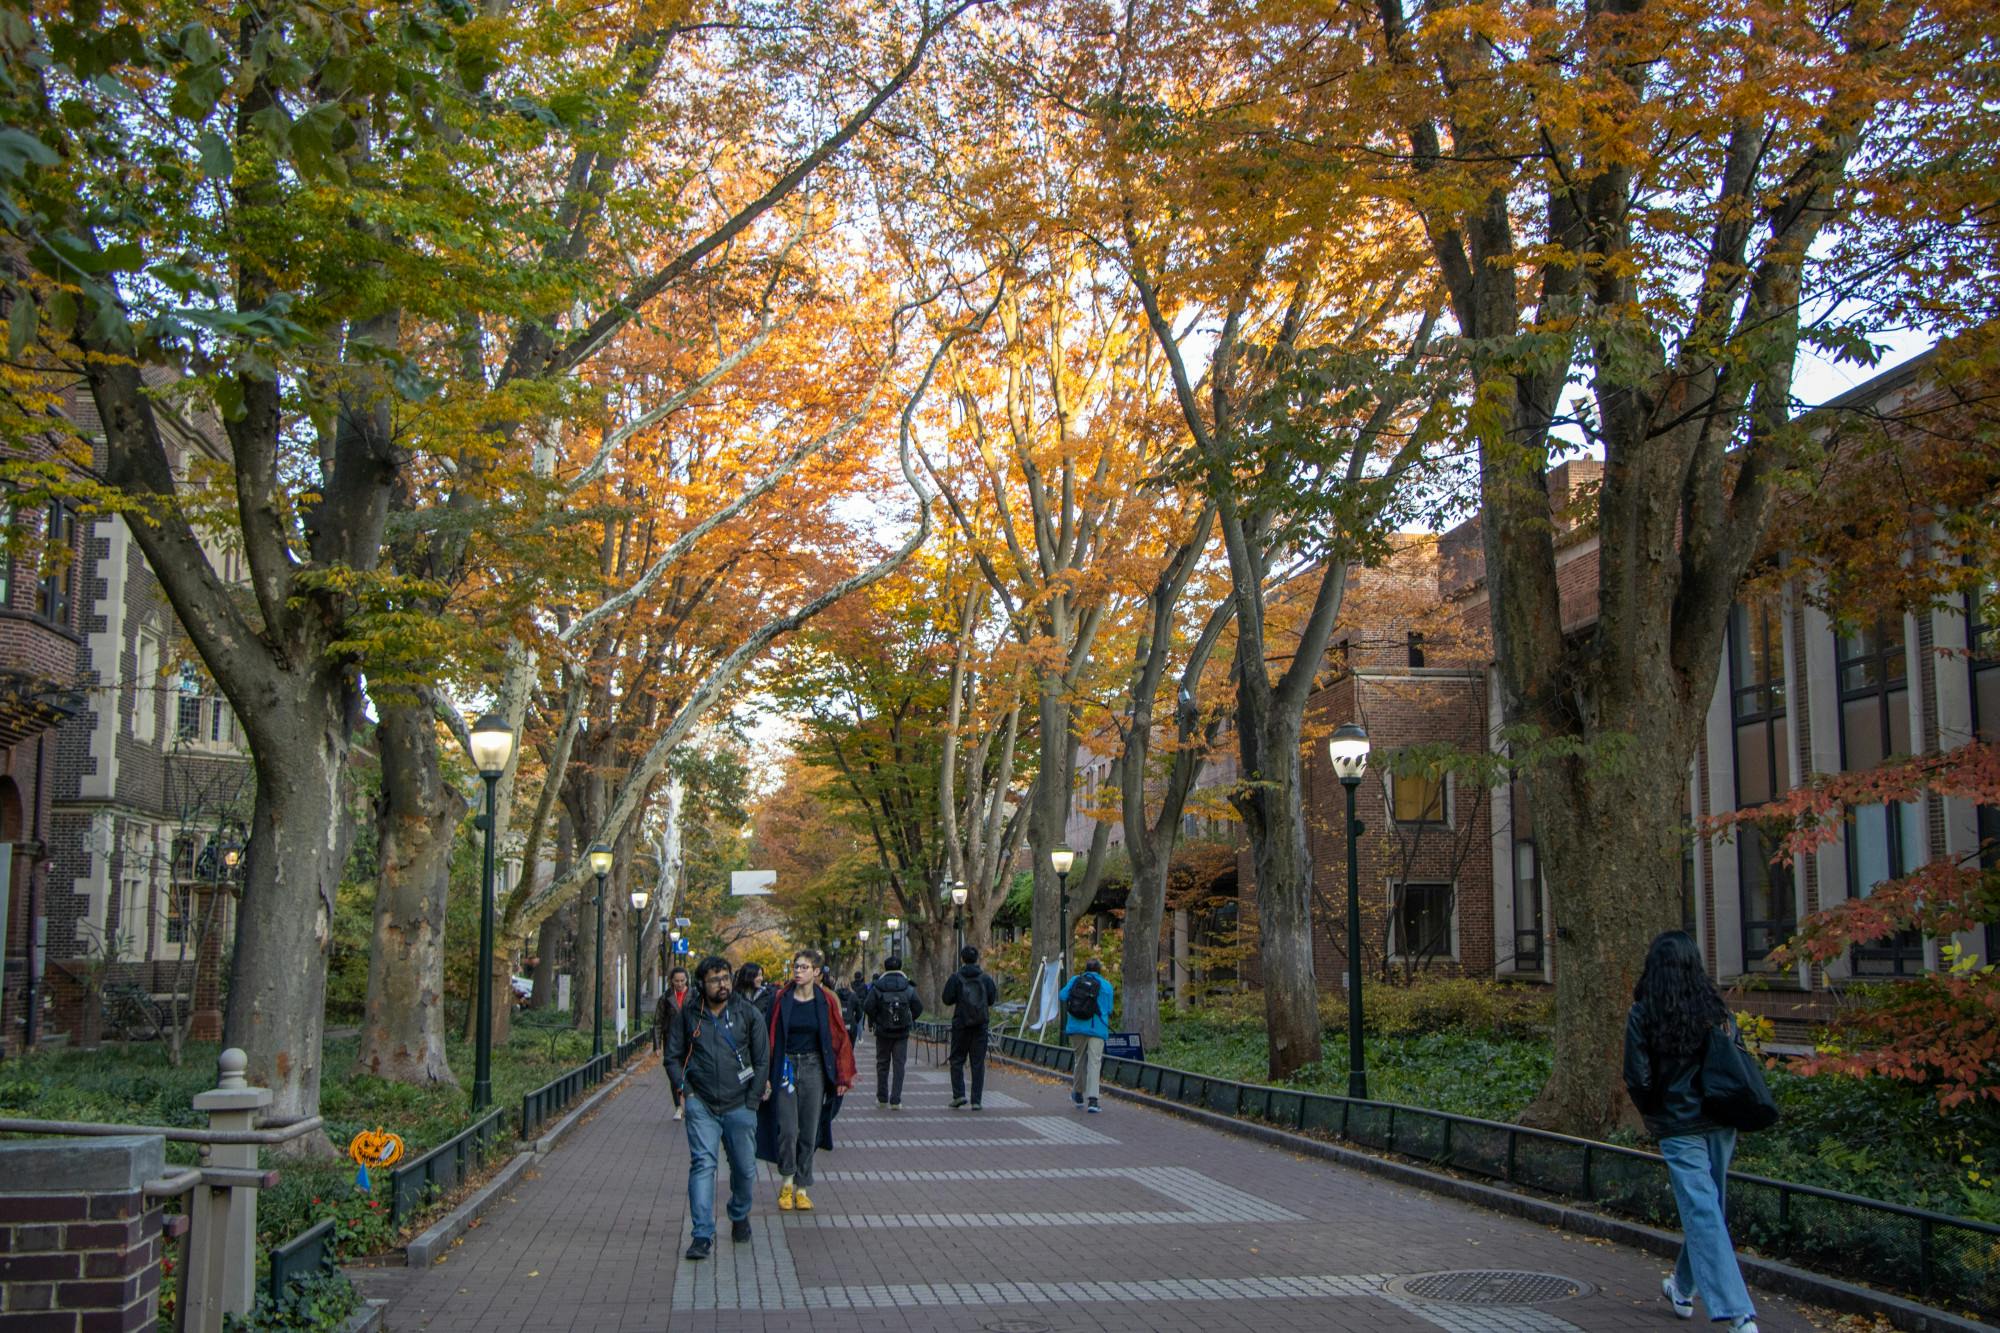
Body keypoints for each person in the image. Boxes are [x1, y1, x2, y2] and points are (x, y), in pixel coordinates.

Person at [1624, 930, 1760, 1333]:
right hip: (1719, 1120)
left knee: (1706, 1211)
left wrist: (1656, 1111)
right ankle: (1739, 1313)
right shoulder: (1714, 1008)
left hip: (1680, 1124)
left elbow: (1636, 1076)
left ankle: (1683, 1287)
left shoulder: (1644, 1012)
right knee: (1706, 1210)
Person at [663, 955, 770, 1261]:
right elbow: (672, 1056)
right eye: (714, 979)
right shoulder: (689, 1016)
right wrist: (686, 1090)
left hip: (741, 1104)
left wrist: (752, 1100)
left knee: (745, 1169)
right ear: (702, 983)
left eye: (725, 977)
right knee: (702, 1165)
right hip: (703, 1104)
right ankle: (701, 1234)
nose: (722, 984)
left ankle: (739, 1213)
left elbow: (762, 1059)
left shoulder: (747, 1013)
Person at [756, 948, 856, 1211]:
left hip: (814, 1067)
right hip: (786, 1067)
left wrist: (842, 1075)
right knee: (788, 1129)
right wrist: (766, 1075)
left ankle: (802, 1186)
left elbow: (838, 1038)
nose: (798, 971)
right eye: (796, 967)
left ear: (816, 972)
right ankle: (787, 1181)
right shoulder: (781, 999)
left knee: (809, 1130)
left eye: (804, 967)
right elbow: (768, 1036)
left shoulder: (826, 1001)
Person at [940, 945, 999, 1110]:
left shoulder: (956, 977)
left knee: (957, 1060)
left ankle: (958, 1095)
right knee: (978, 1063)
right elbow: (992, 999)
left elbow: (947, 999)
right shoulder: (986, 979)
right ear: (977, 959)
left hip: (961, 1024)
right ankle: (976, 1100)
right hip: (980, 1025)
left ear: (962, 959)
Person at [861, 955, 922, 1108]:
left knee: (882, 1064)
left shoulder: (878, 986)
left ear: (885, 968)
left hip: (883, 1031)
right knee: (899, 1065)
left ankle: (882, 1098)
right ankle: (896, 1099)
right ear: (900, 968)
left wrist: (877, 1019)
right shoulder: (908, 987)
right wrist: (909, 1018)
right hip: (902, 1032)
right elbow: (918, 1007)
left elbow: (868, 1006)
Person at [1059, 958, 1116, 1113]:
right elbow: (1109, 1009)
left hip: (1076, 1027)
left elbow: (1062, 996)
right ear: (1099, 971)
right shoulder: (1106, 985)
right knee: (1094, 1062)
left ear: (1085, 969)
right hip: (1097, 1028)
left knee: (1079, 1060)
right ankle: (1093, 1100)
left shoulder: (1076, 980)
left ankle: (1078, 1093)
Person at [656, 966, 693, 1120]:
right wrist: (657, 1045)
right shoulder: (666, 997)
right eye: (676, 981)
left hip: (690, 1041)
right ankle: (678, 1106)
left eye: (682, 981)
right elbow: (658, 1022)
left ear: (687, 980)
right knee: (674, 1074)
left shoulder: (695, 996)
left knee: (690, 1072)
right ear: (671, 981)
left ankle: (691, 1103)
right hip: (671, 1040)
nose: (679, 984)